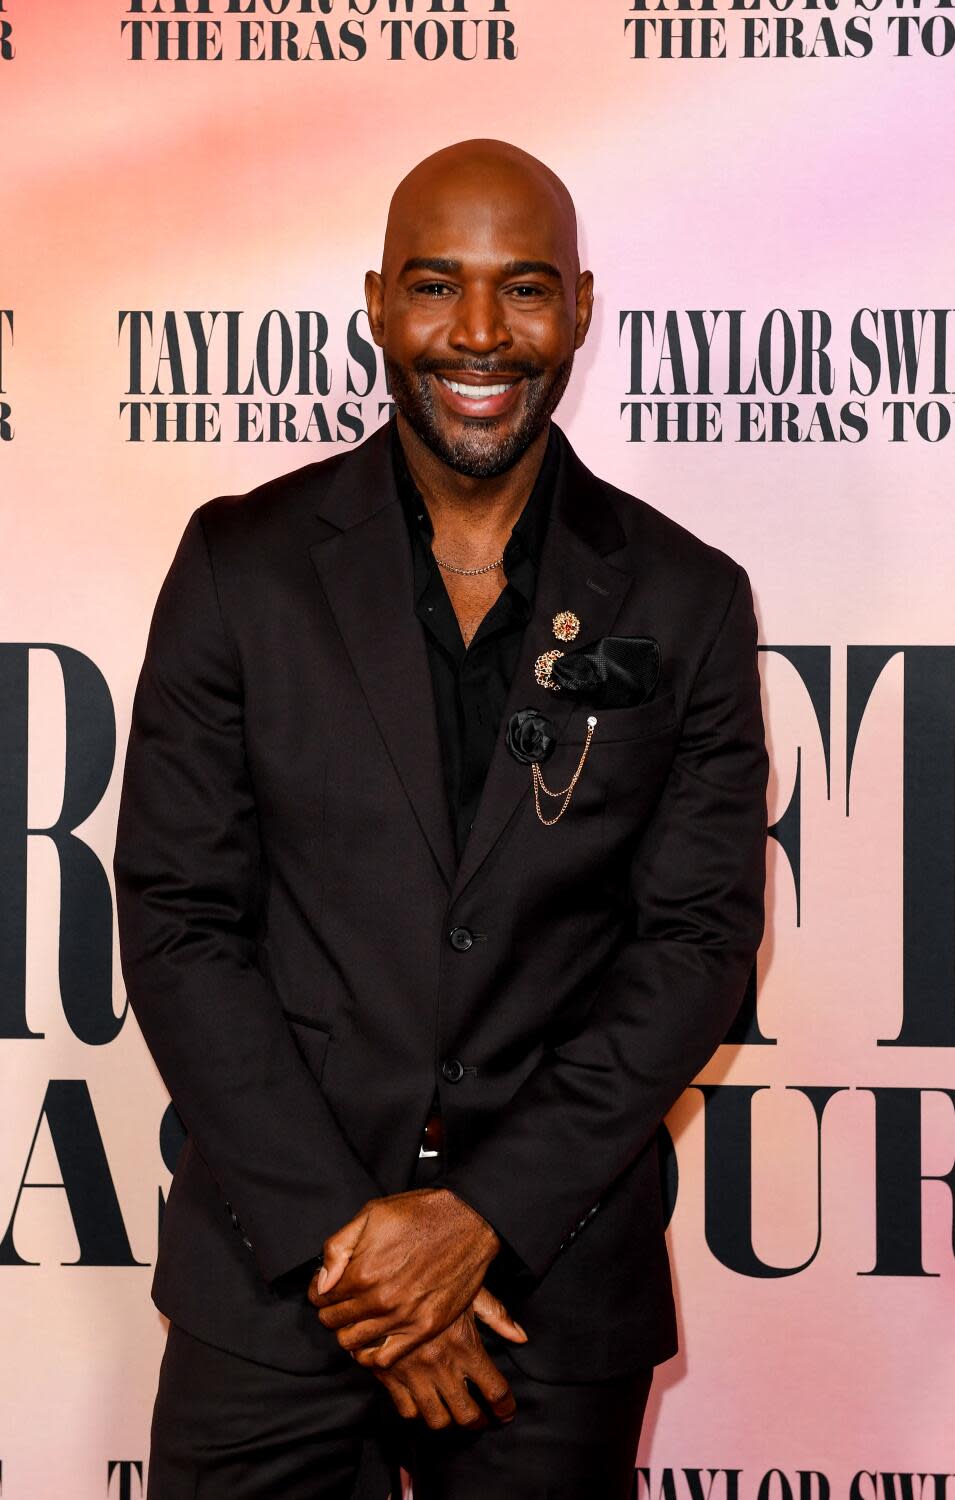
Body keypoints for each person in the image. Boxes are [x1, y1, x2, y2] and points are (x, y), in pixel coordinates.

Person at [113, 137, 768, 1500]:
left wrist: (480, 1222)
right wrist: (357, 1249)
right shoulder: (242, 567)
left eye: (524, 289)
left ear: (581, 307)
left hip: (549, 1293)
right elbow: (179, 921)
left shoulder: (685, 598)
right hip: (278, 1289)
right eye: (435, 286)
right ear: (375, 304)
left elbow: (697, 944)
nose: (479, 333)